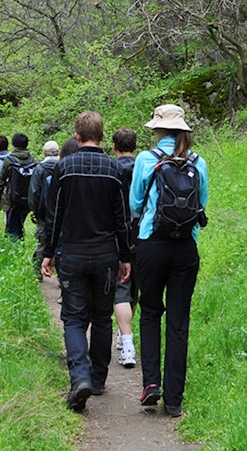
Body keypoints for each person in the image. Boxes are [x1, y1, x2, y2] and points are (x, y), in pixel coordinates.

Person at [41, 111, 131, 412]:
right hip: (106, 254)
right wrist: (125, 256)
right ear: (103, 136)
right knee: (102, 317)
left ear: (76, 136)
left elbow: (54, 217)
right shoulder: (113, 169)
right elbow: (121, 219)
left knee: (74, 317)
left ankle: (79, 377)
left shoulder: (64, 168)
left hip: (73, 253)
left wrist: (49, 252)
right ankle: (98, 378)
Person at [130, 104, 208, 418]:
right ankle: (174, 400)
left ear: (157, 129)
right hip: (185, 249)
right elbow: (200, 205)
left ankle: (151, 385)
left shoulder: (146, 160)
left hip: (152, 245)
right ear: (183, 129)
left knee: (150, 312)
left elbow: (136, 202)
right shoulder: (198, 162)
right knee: (178, 321)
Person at [111, 127, 139, 368]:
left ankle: (127, 344)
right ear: (135, 146)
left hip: (117, 236)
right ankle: (124, 334)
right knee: (135, 288)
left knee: (122, 288)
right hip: (143, 235)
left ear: (113, 147)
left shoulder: (111, 169)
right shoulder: (146, 167)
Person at [0, 132, 36, 241]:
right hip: (27, 198)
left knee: (11, 228)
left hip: (12, 199)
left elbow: (2, 181)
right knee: (20, 225)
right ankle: (20, 244)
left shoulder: (10, 160)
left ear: (13, 144)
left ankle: (12, 249)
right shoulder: (32, 160)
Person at [28, 140, 60, 276]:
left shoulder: (40, 168)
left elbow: (34, 191)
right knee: (60, 243)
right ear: (58, 152)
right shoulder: (62, 166)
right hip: (60, 211)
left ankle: (37, 272)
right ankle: (62, 278)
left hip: (43, 212)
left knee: (42, 242)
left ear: (44, 152)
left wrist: (35, 212)